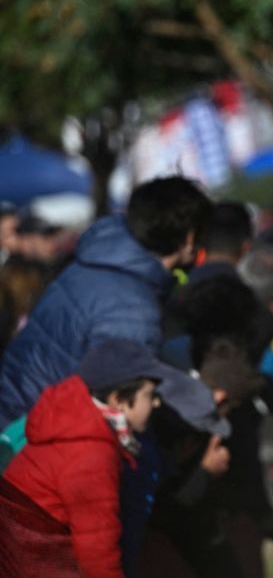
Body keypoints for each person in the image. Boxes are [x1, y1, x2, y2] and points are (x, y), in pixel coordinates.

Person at [0, 175, 213, 428]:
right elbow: (118, 414)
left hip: (13, 410)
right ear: (189, 238)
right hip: (32, 438)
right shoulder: (133, 310)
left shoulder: (92, 263)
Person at [0, 339, 178, 578]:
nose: (156, 403)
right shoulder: (91, 454)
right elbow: (97, 554)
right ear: (119, 399)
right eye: (149, 395)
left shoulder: (74, 420)